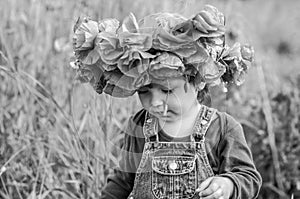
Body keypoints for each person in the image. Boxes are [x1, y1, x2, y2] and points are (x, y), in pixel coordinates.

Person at [71, 4, 262, 199]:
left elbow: (248, 178)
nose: (154, 102)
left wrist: (228, 184)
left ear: (197, 81)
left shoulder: (222, 128)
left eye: (167, 90)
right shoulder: (139, 126)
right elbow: (122, 182)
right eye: (144, 91)